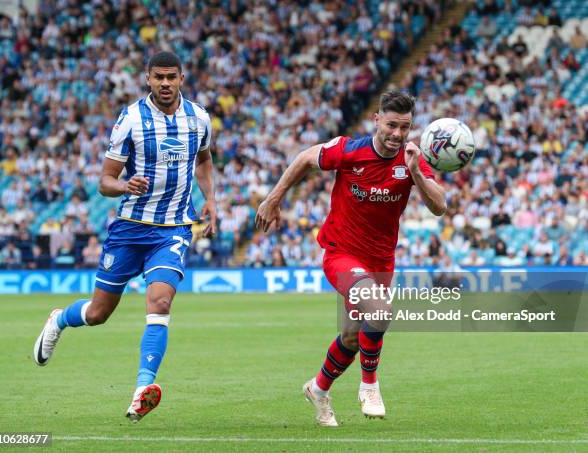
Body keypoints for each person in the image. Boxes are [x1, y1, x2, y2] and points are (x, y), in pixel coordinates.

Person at [33, 51, 216, 422]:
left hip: (174, 227)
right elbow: (104, 182)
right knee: (98, 313)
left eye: (172, 77)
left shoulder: (199, 118)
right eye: (158, 77)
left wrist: (211, 199)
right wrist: (123, 184)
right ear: (147, 78)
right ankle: (60, 319)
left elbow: (204, 159)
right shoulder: (131, 119)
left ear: (182, 78)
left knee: (160, 302)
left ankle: (140, 390)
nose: (165, 83)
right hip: (130, 229)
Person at [256, 91, 446, 426]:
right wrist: (274, 198)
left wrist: (415, 171)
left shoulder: (413, 160)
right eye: (391, 125)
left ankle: (318, 388)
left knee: (351, 336)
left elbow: (440, 206)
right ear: (377, 119)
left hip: (380, 262)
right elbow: (303, 158)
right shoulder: (348, 150)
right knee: (381, 311)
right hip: (341, 253)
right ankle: (369, 385)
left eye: (405, 127)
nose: (397, 134)